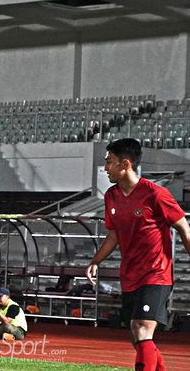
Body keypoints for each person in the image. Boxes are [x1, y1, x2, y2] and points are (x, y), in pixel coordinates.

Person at [86, 138, 190, 371]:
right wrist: (96, 261)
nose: (105, 168)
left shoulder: (155, 194)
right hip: (130, 275)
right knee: (138, 336)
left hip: (157, 273)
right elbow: (114, 235)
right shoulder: (111, 196)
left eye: (109, 162)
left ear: (126, 165)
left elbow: (183, 226)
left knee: (141, 326)